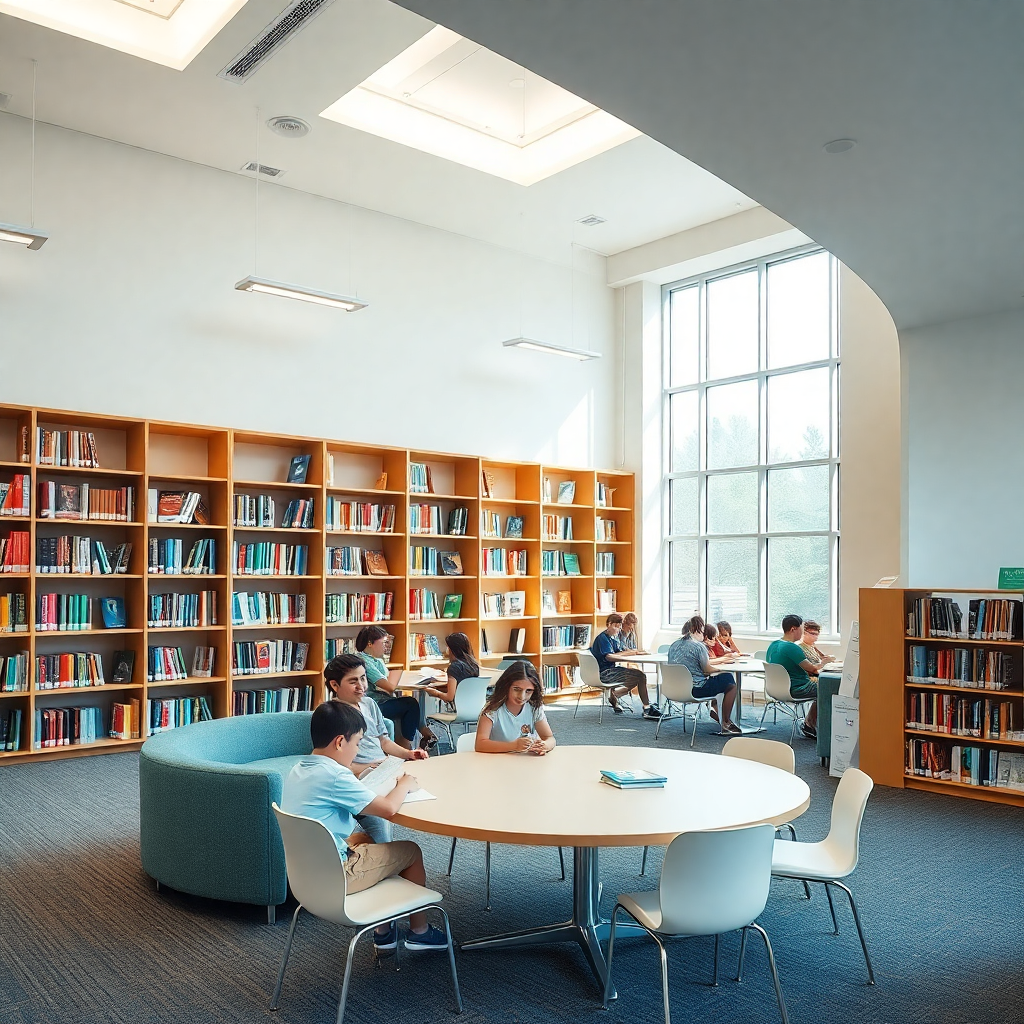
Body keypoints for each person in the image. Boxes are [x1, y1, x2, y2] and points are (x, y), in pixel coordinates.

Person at [281, 701, 449, 951]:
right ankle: (420, 932)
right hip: (337, 877)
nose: (358, 749)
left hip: (306, 876)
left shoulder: (299, 769)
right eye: (357, 743)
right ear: (340, 742)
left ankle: (383, 930)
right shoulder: (336, 776)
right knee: (411, 851)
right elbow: (389, 810)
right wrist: (404, 784)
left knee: (365, 839)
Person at [324, 653, 428, 844]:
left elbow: (384, 742)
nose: (362, 686)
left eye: (363, 678)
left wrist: (408, 753)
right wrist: (370, 767)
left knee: (420, 790)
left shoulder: (369, 704)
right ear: (334, 685)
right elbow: (334, 765)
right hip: (361, 780)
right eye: (353, 681)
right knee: (385, 834)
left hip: (381, 771)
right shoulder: (331, 715)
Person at [355, 625, 438, 751]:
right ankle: (406, 743)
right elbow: (389, 686)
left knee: (408, 703)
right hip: (373, 705)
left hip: (383, 699)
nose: (386, 646)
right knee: (410, 704)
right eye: (383, 643)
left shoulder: (378, 660)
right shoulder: (364, 661)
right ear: (370, 643)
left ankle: (419, 734)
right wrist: (396, 677)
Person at [667, 615, 741, 733]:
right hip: (696, 689)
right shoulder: (698, 646)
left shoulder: (673, 645)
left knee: (720, 681)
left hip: (673, 689)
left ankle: (716, 709)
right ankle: (726, 722)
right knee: (728, 680)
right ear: (697, 630)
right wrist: (720, 670)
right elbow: (707, 670)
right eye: (702, 631)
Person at [590, 612, 663, 719]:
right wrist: (629, 654)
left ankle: (616, 695)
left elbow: (620, 652)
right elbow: (609, 656)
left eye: (619, 628)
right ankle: (646, 708)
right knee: (640, 676)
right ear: (609, 624)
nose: (618, 630)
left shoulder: (612, 638)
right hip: (604, 673)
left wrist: (635, 652)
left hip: (609, 670)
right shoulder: (603, 638)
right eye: (616, 627)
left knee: (638, 676)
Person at [475, 660, 556, 754]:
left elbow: (549, 738)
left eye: (528, 691)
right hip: (498, 762)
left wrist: (545, 745)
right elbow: (480, 744)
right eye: (517, 689)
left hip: (526, 762)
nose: (522, 696)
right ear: (506, 686)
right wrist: (514, 746)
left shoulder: (534, 708)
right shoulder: (492, 710)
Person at [766, 614, 820, 739]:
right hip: (797, 688)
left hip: (775, 689)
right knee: (828, 688)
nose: (802, 632)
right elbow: (812, 668)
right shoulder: (792, 648)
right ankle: (811, 725)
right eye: (801, 629)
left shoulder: (773, 645)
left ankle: (809, 723)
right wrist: (825, 662)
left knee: (821, 686)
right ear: (793, 629)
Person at [420, 632, 480, 710]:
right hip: (475, 708)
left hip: (460, 709)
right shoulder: (474, 665)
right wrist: (438, 688)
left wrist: (435, 693)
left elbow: (449, 697)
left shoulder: (454, 668)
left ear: (452, 649)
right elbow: (461, 689)